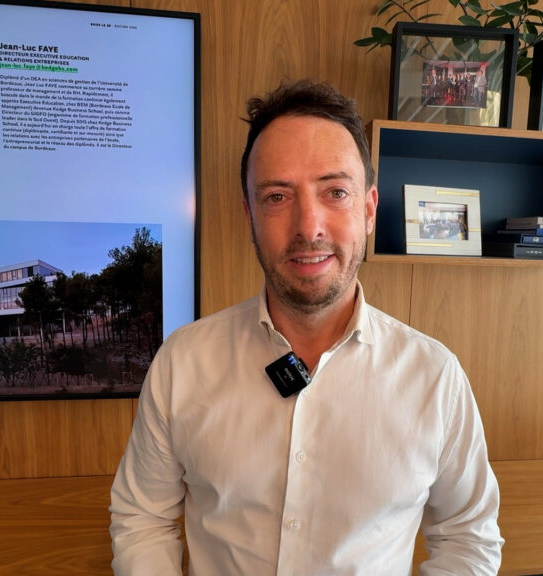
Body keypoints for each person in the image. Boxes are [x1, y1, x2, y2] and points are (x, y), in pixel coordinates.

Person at [109, 79, 503, 575]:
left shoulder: (435, 377)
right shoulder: (183, 363)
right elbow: (142, 518)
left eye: (335, 192)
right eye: (277, 196)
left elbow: (468, 538)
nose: (308, 226)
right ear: (250, 215)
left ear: (368, 209)